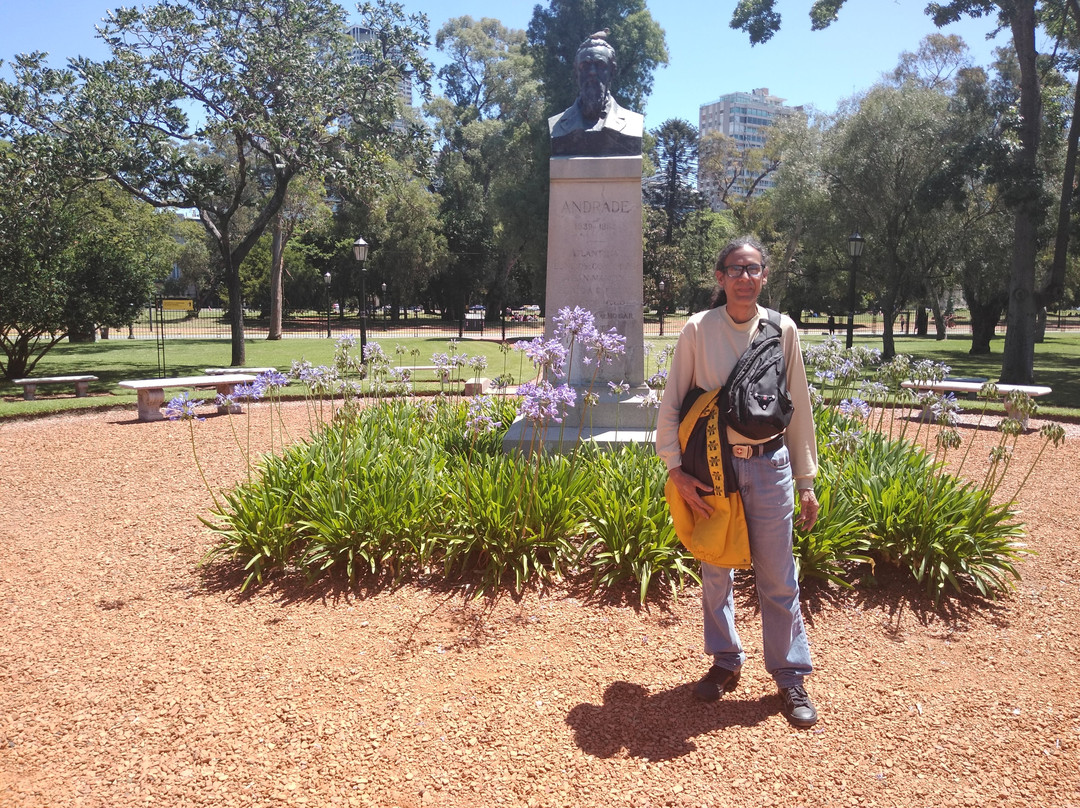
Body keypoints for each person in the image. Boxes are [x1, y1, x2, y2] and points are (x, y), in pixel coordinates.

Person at [655, 235, 821, 729]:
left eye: (754, 269)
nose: (745, 278)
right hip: (711, 465)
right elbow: (672, 402)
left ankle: (790, 675)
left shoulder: (782, 329)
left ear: (764, 276)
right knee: (715, 570)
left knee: (778, 574)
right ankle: (725, 659)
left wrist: (807, 478)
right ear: (720, 277)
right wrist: (674, 469)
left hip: (771, 465)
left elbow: (799, 408)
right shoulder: (697, 330)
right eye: (736, 269)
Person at [548, 30, 644, 157]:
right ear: (576, 73)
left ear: (612, 72)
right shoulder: (557, 126)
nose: (592, 72)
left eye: (600, 65)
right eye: (585, 66)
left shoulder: (633, 123)